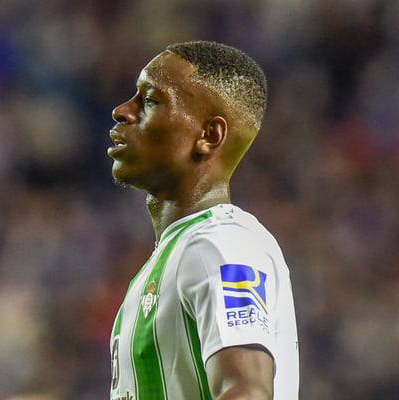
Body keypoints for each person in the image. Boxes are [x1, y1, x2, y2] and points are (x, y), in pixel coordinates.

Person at [107, 40, 299, 400]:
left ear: (209, 136)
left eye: (150, 101)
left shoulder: (222, 243)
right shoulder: (175, 255)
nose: (122, 111)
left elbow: (247, 392)